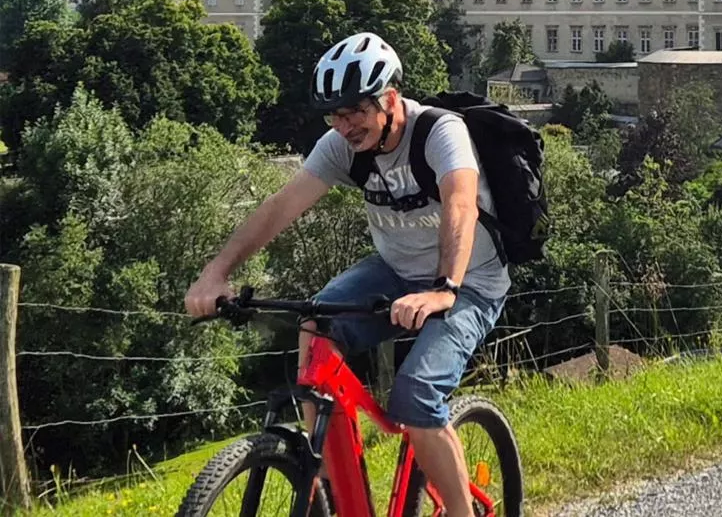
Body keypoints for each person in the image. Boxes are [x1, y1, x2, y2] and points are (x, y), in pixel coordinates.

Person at [183, 31, 507, 515]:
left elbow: (461, 205)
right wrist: (217, 271)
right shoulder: (340, 147)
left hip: (468, 281)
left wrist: (444, 289)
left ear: (390, 99)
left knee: (416, 397)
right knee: (316, 327)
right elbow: (280, 207)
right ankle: (337, 491)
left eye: (355, 110)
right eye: (334, 114)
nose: (344, 125)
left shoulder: (440, 132)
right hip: (395, 271)